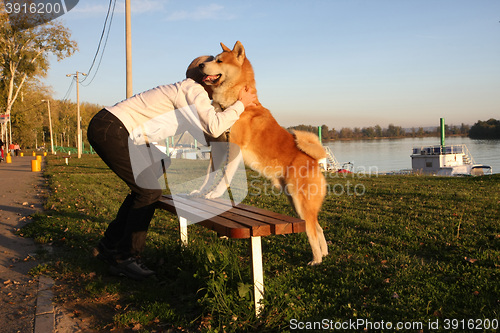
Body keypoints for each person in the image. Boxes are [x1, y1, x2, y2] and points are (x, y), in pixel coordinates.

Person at [87, 56, 257, 280]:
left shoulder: (188, 99)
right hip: (113, 129)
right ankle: (126, 258)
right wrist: (241, 104)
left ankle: (109, 245)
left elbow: (210, 137)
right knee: (149, 192)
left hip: (112, 127)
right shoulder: (192, 90)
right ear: (206, 77)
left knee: (160, 162)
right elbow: (215, 127)